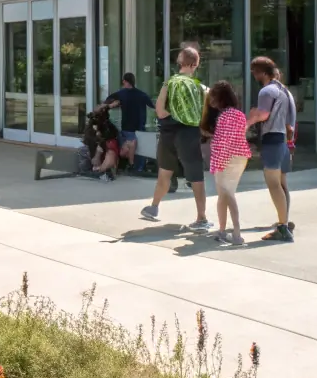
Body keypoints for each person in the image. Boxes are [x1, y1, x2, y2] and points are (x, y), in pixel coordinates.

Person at [140, 45, 209, 230]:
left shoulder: (169, 83)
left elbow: (160, 112)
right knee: (196, 177)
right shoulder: (200, 88)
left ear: (179, 62)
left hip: (167, 135)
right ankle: (201, 218)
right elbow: (206, 115)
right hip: (189, 135)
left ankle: (153, 208)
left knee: (164, 173)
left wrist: (173, 115)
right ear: (195, 64)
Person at [247, 56, 296, 243]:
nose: (253, 75)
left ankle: (283, 228)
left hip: (272, 140)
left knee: (273, 184)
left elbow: (264, 114)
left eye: (254, 71)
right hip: (283, 140)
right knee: (282, 184)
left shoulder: (266, 91)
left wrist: (248, 121)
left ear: (261, 72)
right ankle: (284, 221)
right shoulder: (284, 90)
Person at [202, 80, 251, 247]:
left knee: (227, 194)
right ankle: (223, 231)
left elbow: (222, 143)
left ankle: (236, 233)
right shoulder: (239, 114)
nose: (212, 101)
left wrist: (217, 163)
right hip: (240, 157)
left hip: (226, 158)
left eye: (214, 97)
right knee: (225, 195)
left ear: (220, 98)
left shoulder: (223, 117)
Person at [105, 71, 155, 173]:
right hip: (140, 127)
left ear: (124, 81)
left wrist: (115, 103)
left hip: (127, 127)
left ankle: (131, 165)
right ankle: (139, 168)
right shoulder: (142, 95)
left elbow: (107, 100)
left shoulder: (121, 94)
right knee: (141, 149)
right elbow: (153, 105)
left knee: (129, 146)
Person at [83, 105, 119, 181]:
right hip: (97, 160)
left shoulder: (110, 141)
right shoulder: (91, 135)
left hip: (104, 163)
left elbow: (109, 160)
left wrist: (100, 170)